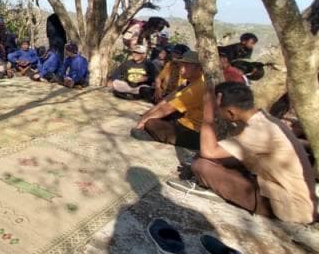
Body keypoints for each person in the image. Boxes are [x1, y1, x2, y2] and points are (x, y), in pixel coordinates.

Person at [184, 82, 316, 224]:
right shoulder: (264, 119)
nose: (217, 114)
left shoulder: (259, 130)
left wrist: (208, 111)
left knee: (202, 166)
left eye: (218, 111)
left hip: (289, 207)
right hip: (292, 198)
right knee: (216, 161)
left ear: (231, 113)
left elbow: (208, 152)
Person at [134, 51, 205, 150]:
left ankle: (161, 137)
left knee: (151, 123)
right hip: (183, 119)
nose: (181, 69)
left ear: (198, 68)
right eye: (182, 65)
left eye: (186, 65)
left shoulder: (199, 85)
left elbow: (168, 108)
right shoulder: (189, 81)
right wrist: (147, 114)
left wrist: (144, 121)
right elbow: (168, 99)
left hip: (193, 130)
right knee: (153, 115)